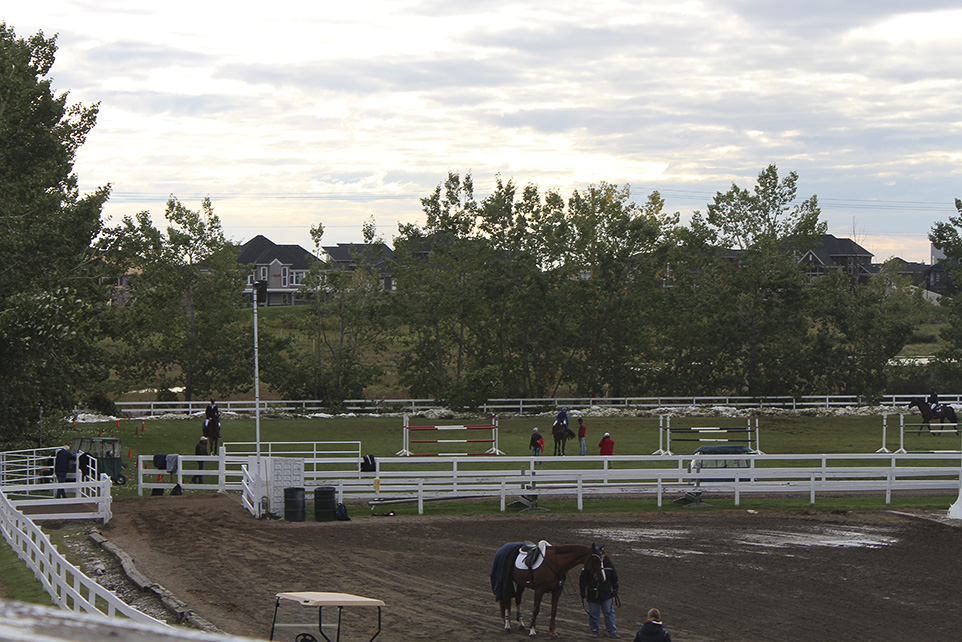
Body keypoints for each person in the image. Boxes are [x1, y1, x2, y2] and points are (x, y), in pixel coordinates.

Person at [580, 545, 619, 638]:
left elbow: (614, 578)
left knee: (609, 613)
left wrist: (615, 589)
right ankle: (594, 630)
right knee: (593, 614)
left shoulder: (609, 565)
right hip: (593, 595)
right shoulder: (589, 566)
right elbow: (583, 579)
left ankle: (612, 631)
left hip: (606, 594)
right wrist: (583, 590)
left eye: (602, 554)